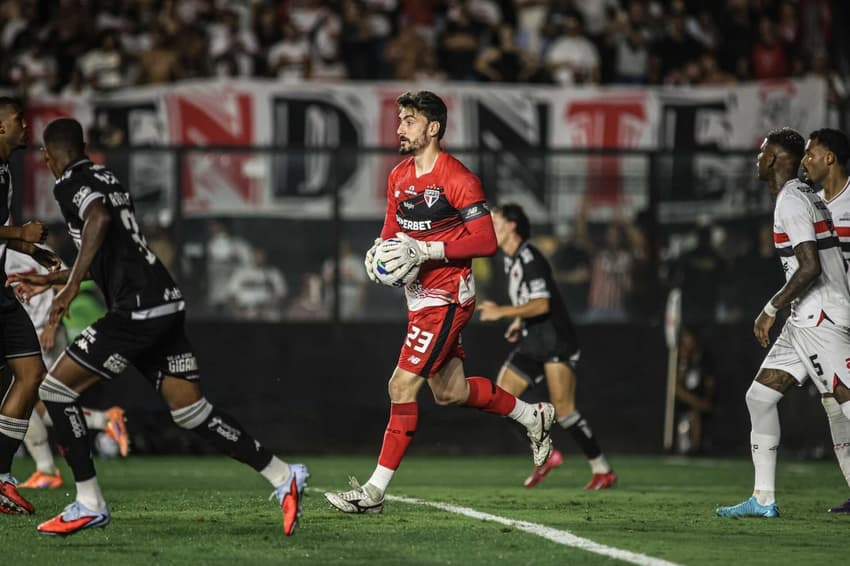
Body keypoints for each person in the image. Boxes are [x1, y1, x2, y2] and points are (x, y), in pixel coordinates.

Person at [10, 117, 308, 536]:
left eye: (43, 153)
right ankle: (283, 475)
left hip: (136, 309)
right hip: (163, 300)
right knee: (191, 412)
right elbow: (105, 256)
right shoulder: (106, 176)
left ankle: (89, 502)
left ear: (51, 154)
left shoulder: (70, 184)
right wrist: (52, 279)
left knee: (55, 390)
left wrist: (67, 292)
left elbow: (97, 221)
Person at [323, 91, 556, 514]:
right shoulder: (398, 176)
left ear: (433, 128)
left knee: (400, 385)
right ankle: (531, 416)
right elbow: (393, 229)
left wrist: (425, 252)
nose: (399, 128)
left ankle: (373, 494)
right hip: (419, 299)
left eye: (408, 121)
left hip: (447, 297)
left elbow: (485, 241)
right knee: (450, 392)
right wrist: (380, 255)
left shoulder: (459, 178)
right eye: (400, 120)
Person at [716, 127, 850, 518]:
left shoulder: (791, 199)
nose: (757, 160)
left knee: (845, 403)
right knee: (759, 397)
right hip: (805, 318)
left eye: (761, 153)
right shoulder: (806, 195)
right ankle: (763, 498)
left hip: (820, 318)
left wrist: (770, 308)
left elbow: (808, 266)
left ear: (773, 159)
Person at [477, 203, 616, 489]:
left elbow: (542, 303)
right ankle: (546, 454)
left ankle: (602, 469)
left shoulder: (529, 256)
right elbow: (530, 302)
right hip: (534, 338)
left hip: (555, 339)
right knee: (500, 399)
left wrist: (502, 313)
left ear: (511, 225)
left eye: (495, 219)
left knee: (564, 410)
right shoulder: (510, 260)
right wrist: (518, 321)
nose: (489, 224)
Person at [5, 247, 129, 490]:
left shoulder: (30, 247)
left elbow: (66, 281)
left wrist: (53, 324)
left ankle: (47, 470)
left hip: (38, 335)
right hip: (21, 337)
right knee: (34, 406)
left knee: (20, 400)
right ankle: (104, 421)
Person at [0, 97, 60, 516]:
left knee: (32, 372)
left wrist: (27, 247)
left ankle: (1, 478)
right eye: (19, 119)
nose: (26, 126)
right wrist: (20, 231)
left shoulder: (5, 169)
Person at [801, 127, 850, 513]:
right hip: (831, 316)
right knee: (833, 399)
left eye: (810, 154)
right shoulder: (812, 205)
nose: (805, 161)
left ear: (829, 157)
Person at [673, 327, 716, 455]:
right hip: (685, 403)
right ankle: (691, 448)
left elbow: (710, 383)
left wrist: (707, 399)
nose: (688, 343)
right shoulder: (679, 359)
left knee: (696, 412)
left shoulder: (702, 359)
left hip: (700, 400)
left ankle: (696, 448)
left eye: (690, 339)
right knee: (694, 412)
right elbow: (677, 387)